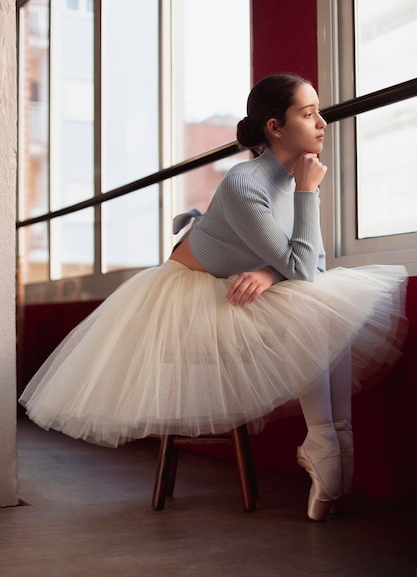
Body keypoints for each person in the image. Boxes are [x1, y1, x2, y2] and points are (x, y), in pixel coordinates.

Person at [19, 74, 408, 522]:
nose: (322, 122)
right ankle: (326, 445)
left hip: (240, 285)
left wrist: (268, 268)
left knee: (322, 307)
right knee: (312, 310)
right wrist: (306, 196)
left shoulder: (295, 174)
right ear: (275, 127)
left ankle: (334, 442)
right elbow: (302, 269)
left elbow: (311, 269)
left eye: (319, 111)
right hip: (190, 295)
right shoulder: (246, 183)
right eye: (308, 113)